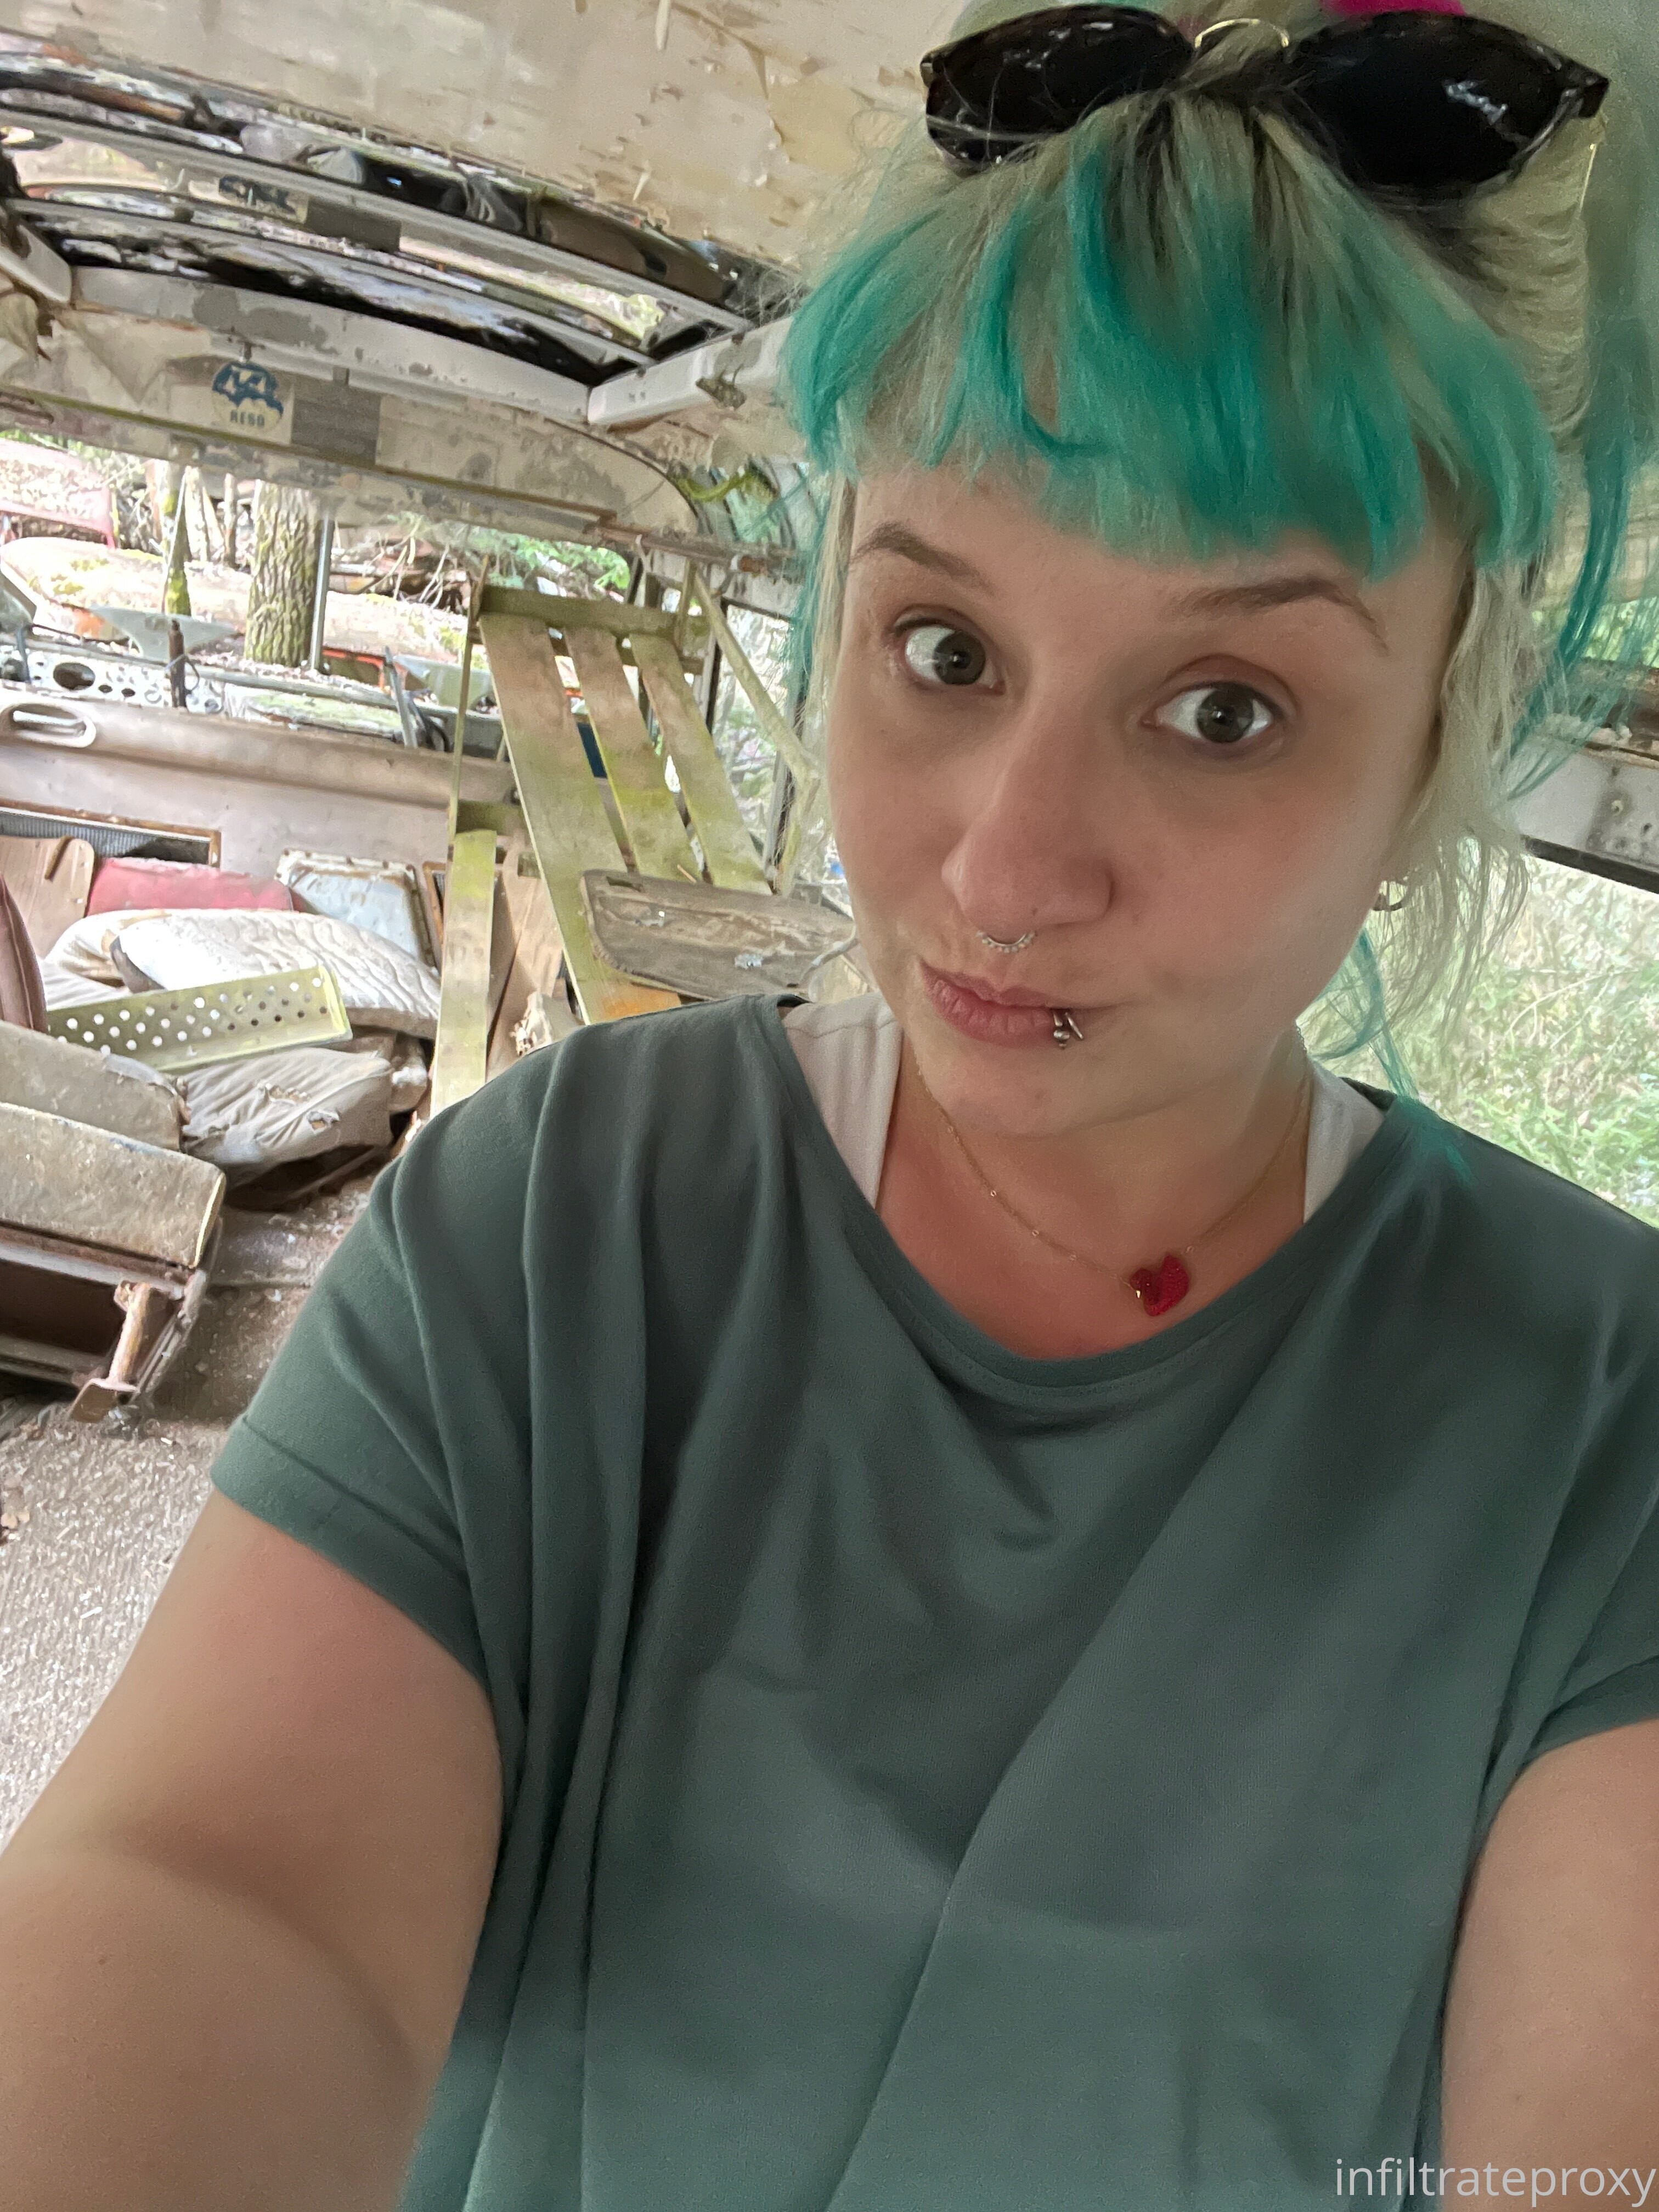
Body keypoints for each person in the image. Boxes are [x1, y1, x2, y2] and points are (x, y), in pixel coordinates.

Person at [6, 3, 1659, 2207]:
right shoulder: (562, 1224)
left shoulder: (1602, 1422)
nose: (1008, 871)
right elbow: (228, 1900)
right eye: (946, 651)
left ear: (1434, 744)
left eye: (1226, 708)